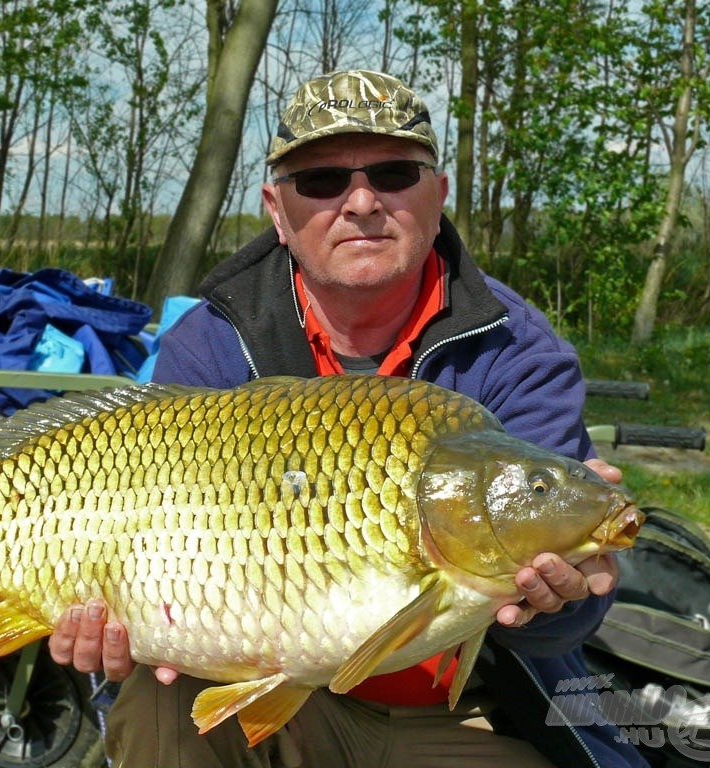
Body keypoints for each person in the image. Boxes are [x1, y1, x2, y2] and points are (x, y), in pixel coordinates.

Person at [49, 69, 647, 767]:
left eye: (394, 173)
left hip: (470, 709)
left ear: (439, 194)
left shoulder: (519, 350)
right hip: (269, 700)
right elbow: (143, 566)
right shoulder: (213, 343)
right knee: (160, 705)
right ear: (276, 209)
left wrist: (562, 599)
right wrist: (99, 633)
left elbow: (562, 614)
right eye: (322, 183)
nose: (362, 202)